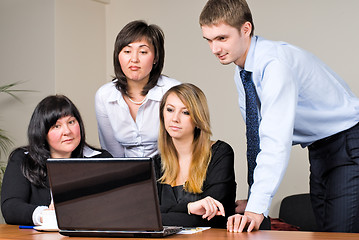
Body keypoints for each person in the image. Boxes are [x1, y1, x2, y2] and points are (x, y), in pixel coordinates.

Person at [199, 0, 359, 233]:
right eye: (209, 40)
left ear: (246, 29)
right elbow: (258, 137)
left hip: (347, 142)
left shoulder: (274, 65)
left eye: (222, 38)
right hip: (319, 148)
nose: (215, 49)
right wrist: (255, 200)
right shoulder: (243, 72)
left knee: (340, 235)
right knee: (324, 233)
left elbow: (275, 140)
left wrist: (257, 207)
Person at [1, 95, 112, 226]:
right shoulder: (23, 159)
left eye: (71, 122)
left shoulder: (101, 159)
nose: (67, 131)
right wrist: (46, 215)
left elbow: (115, 206)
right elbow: (11, 207)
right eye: (56, 126)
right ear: (42, 132)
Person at [154, 83, 236, 228]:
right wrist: (190, 208)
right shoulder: (156, 163)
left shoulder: (220, 153)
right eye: (170, 110)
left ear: (198, 119)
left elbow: (210, 217)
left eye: (185, 112)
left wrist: (163, 215)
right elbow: (144, 216)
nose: (175, 118)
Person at [95, 20, 180, 158]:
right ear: (118, 56)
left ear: (155, 58)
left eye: (143, 52)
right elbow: (112, 153)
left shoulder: (173, 90)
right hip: (124, 174)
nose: (134, 59)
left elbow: (183, 145)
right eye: (127, 51)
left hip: (169, 172)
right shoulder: (104, 95)